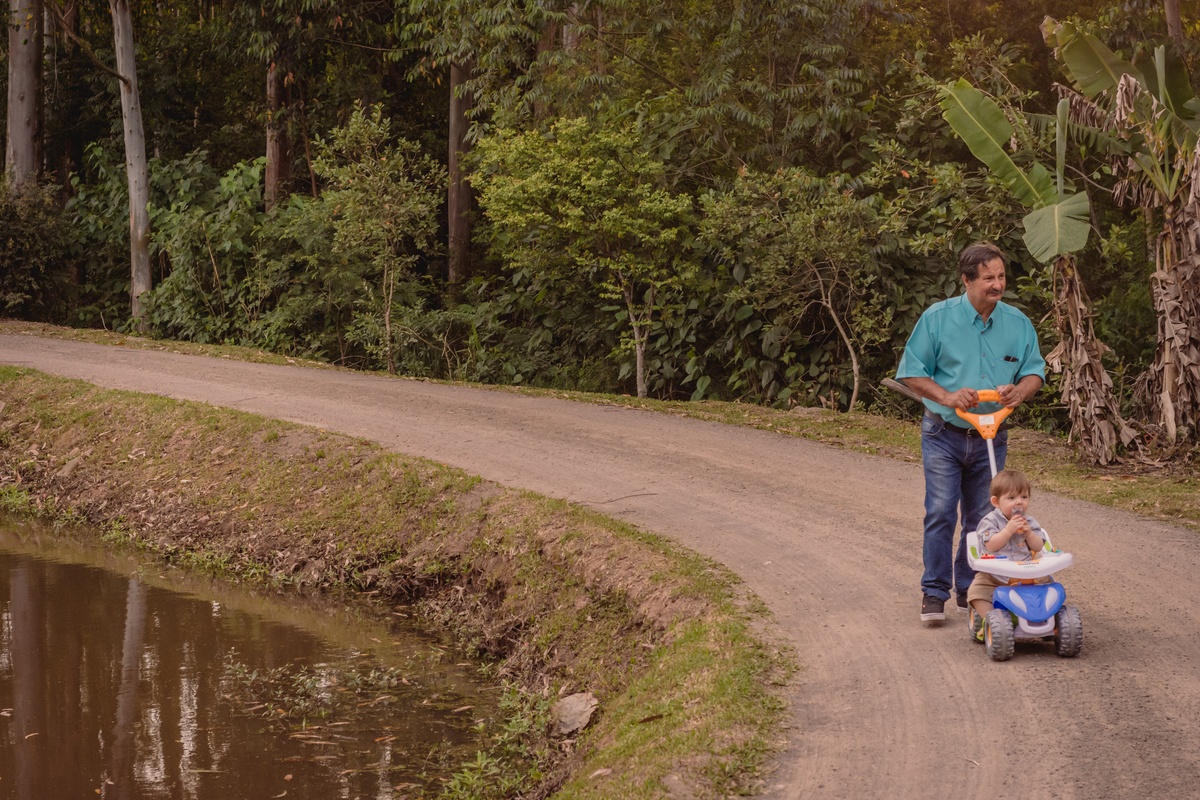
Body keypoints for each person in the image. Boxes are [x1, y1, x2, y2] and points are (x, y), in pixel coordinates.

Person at [896, 242, 1046, 622]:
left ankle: (971, 589)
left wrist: (1019, 392)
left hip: (992, 436)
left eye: (1001, 277)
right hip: (943, 432)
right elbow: (911, 372)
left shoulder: (1018, 323)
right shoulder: (937, 318)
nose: (997, 285)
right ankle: (934, 593)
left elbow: (1034, 372)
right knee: (941, 512)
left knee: (984, 516)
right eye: (988, 278)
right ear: (966, 280)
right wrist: (947, 395)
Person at [966, 469, 1051, 641]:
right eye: (1012, 498)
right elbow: (991, 545)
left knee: (1048, 584)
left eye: (1024, 497)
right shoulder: (989, 521)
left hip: (1025, 573)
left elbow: (1039, 546)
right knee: (976, 591)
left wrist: (1029, 534)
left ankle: (1045, 618)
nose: (1019, 502)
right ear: (996, 502)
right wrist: (1008, 530)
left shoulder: (1030, 521)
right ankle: (990, 620)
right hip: (996, 575)